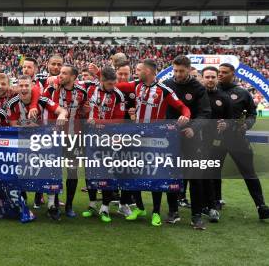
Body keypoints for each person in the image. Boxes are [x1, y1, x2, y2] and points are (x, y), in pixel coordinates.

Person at [114, 59, 191, 227]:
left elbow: (183, 107)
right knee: (135, 172)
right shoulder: (135, 86)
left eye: (138, 69)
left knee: (154, 174)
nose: (136, 72)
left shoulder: (164, 90)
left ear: (148, 71)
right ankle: (140, 208)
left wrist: (185, 115)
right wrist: (99, 75)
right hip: (136, 136)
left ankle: (156, 212)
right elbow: (114, 86)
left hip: (156, 138)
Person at [6, 75, 68, 220]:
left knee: (49, 171)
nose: (23, 88)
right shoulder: (12, 103)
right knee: (23, 171)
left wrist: (61, 116)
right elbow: (13, 125)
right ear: (17, 87)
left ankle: (52, 206)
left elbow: (62, 111)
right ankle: (22, 202)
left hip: (45, 142)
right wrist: (29, 126)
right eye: (20, 85)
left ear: (32, 85)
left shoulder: (42, 100)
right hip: (24, 143)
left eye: (26, 85)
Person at [163, 55, 212, 230]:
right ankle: (173, 211)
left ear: (189, 69)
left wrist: (194, 128)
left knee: (195, 177)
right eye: (175, 70)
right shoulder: (167, 85)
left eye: (181, 71)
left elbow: (205, 113)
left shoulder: (198, 88)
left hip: (191, 138)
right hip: (171, 138)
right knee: (172, 175)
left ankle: (196, 215)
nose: (178, 74)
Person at [217, 63, 269, 220]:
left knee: (249, 172)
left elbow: (252, 114)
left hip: (237, 139)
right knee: (213, 171)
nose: (220, 75)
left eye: (224, 72)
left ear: (233, 74)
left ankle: (261, 206)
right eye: (219, 72)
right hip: (216, 139)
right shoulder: (211, 91)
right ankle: (215, 202)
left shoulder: (242, 93)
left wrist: (246, 124)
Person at [82, 67, 128, 223]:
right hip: (90, 136)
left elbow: (119, 120)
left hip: (109, 138)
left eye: (114, 83)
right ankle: (92, 204)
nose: (112, 86)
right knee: (90, 171)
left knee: (107, 172)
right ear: (101, 81)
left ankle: (105, 208)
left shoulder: (118, 95)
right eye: (109, 84)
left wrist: (99, 121)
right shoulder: (89, 88)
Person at [43, 64, 89, 217]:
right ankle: (54, 203)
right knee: (53, 171)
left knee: (72, 172)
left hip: (73, 138)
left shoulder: (82, 93)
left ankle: (69, 205)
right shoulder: (51, 89)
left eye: (64, 73)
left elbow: (84, 110)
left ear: (73, 77)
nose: (60, 75)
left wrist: (85, 113)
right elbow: (41, 101)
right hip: (54, 137)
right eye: (60, 73)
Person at [200, 66, 232, 222]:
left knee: (214, 171)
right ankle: (204, 203)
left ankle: (215, 201)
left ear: (217, 78)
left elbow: (231, 119)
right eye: (207, 77)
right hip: (198, 141)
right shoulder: (197, 95)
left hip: (218, 142)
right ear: (202, 77)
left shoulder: (224, 97)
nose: (210, 80)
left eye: (213, 77)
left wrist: (226, 124)